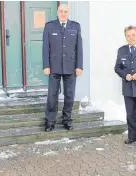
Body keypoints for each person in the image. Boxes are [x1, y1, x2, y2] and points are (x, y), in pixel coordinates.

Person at [42, 4, 83, 132]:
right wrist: (46, 65)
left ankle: (67, 119)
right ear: (57, 12)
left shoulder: (75, 26)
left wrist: (79, 66)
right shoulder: (49, 26)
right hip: (54, 67)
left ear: (68, 13)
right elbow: (45, 48)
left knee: (69, 95)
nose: (63, 13)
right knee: (52, 95)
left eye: (65, 11)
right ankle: (50, 121)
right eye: (61, 11)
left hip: (70, 67)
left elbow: (79, 48)